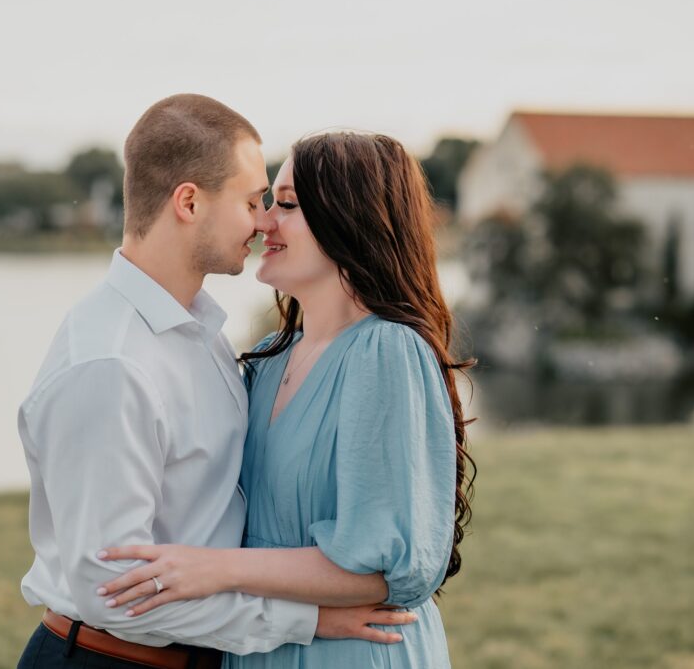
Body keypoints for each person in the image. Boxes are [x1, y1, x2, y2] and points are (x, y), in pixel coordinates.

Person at [15, 97, 418, 669]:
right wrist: (305, 621)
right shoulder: (109, 363)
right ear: (188, 202)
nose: (263, 221)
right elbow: (115, 589)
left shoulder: (201, 331)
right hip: (109, 659)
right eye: (254, 200)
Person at [96, 131, 476, 668]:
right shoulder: (268, 359)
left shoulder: (385, 351)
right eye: (266, 202)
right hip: (261, 646)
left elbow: (381, 571)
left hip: (351, 653)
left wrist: (214, 568)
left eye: (288, 205)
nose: (263, 221)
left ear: (351, 219)